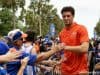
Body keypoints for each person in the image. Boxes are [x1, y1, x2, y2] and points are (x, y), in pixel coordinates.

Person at [59, 6, 89, 75]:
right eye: (64, 16)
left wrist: (65, 47)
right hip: (65, 71)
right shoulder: (61, 33)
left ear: (73, 16)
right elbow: (64, 53)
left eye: (68, 16)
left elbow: (84, 48)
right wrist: (60, 61)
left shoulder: (81, 28)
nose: (66, 18)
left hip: (79, 71)